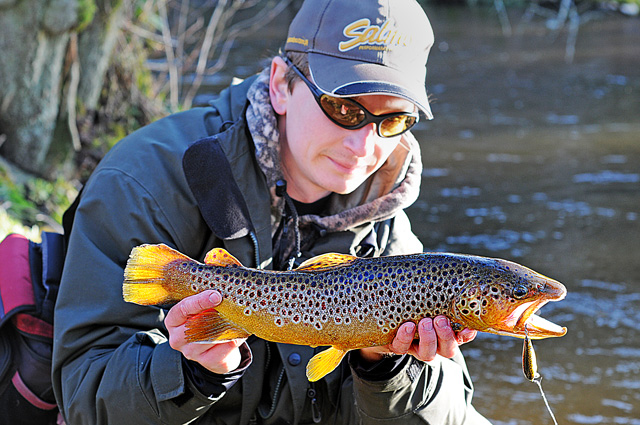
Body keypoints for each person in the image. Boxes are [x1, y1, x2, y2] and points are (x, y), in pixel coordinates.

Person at [52, 0, 492, 423]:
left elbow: (454, 414)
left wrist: (385, 365)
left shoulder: (387, 229)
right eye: (343, 108)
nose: (364, 146)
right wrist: (194, 371)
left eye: (393, 120)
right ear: (282, 83)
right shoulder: (144, 181)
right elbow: (83, 398)